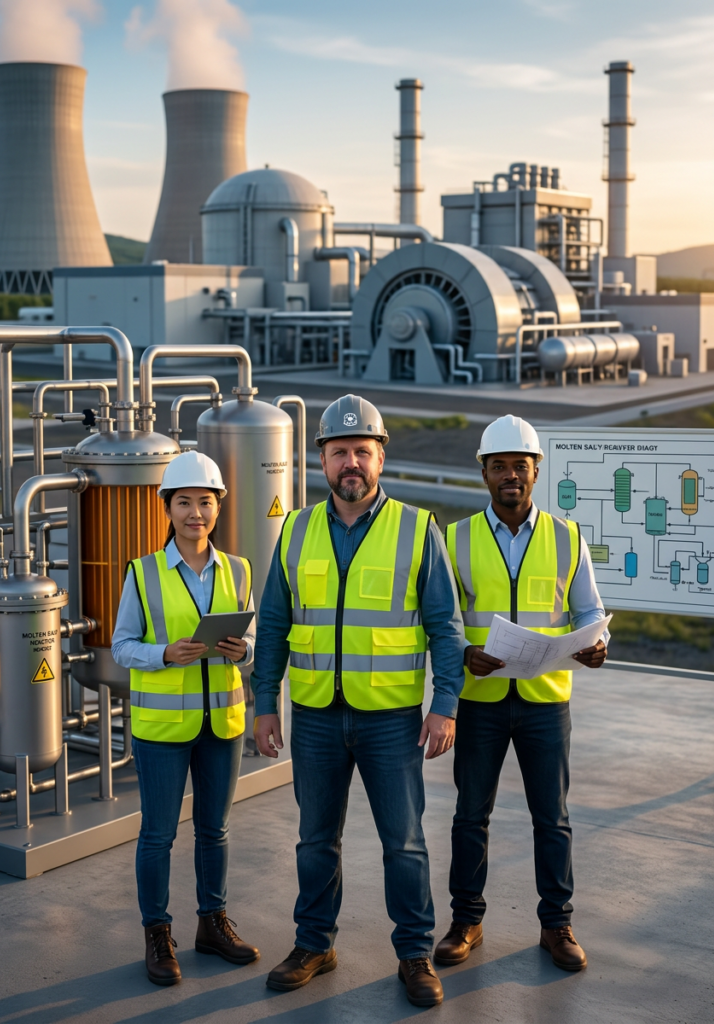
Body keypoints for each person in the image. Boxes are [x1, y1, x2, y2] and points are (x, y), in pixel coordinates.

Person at [250, 394, 465, 1009]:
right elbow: (273, 624)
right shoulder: (294, 529)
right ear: (321, 459)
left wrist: (444, 702)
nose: (351, 463)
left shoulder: (418, 528)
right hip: (315, 714)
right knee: (315, 840)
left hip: (392, 720)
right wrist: (266, 701)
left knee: (403, 842)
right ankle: (314, 943)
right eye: (339, 451)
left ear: (379, 458)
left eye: (362, 452)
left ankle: (415, 955)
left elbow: (445, 628)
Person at [434, 415, 608, 973]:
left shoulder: (567, 536)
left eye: (520, 466)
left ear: (536, 471)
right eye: (500, 466)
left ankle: (557, 926)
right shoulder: (456, 538)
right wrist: (462, 650)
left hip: (545, 700)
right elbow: (445, 618)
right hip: (480, 700)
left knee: (551, 818)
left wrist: (596, 640)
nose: (511, 475)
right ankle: (467, 922)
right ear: (484, 472)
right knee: (469, 816)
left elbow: (587, 611)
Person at [111, 450, 259, 987]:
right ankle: (158, 933)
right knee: (157, 836)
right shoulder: (142, 573)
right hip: (163, 731)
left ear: (217, 507)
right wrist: (163, 655)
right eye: (184, 503)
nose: (195, 512)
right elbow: (121, 645)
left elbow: (256, 641)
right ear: (167, 508)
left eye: (205, 502)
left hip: (222, 724)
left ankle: (212, 924)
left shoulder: (239, 569)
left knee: (214, 831)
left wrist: (241, 651)